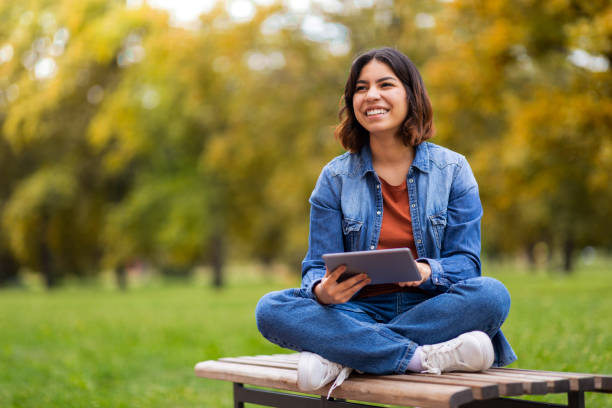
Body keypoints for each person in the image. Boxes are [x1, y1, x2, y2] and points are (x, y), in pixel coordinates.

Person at [255, 47, 517, 396]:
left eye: (385, 84)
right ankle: (419, 357)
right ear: (352, 102)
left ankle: (345, 356)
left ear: (411, 94)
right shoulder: (334, 178)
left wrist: (426, 271)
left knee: (492, 294)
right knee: (271, 309)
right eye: (360, 88)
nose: (371, 96)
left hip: (430, 307)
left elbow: (467, 265)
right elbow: (316, 266)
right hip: (353, 310)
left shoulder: (453, 170)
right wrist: (323, 291)